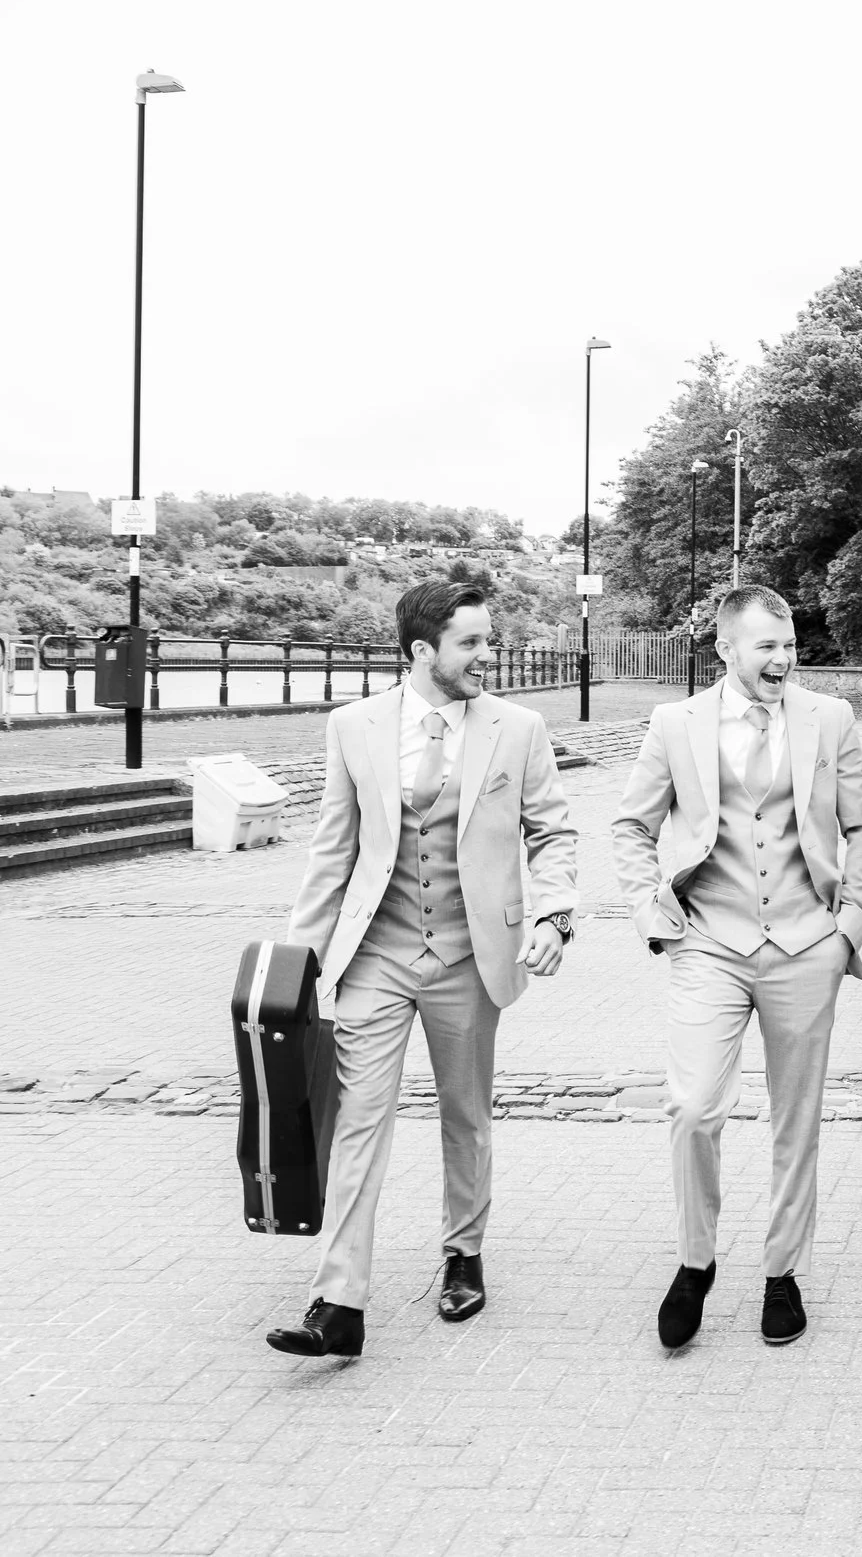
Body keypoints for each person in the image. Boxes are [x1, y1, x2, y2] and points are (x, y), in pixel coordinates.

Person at [266, 580, 579, 1358]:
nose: (487, 655)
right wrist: (295, 964)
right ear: (421, 651)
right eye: (471, 642)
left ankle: (463, 1253)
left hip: (470, 957)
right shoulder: (354, 726)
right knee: (358, 1122)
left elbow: (555, 833)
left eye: (489, 639)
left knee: (465, 1114)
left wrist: (555, 914)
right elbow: (333, 850)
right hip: (374, 955)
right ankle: (338, 1301)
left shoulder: (519, 728)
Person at [611, 585, 862, 1349]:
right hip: (710, 942)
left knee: (796, 1120)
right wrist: (647, 911)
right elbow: (631, 825)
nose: (784, 658)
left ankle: (782, 1271)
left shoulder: (829, 718)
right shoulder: (676, 723)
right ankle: (695, 1262)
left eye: (789, 643)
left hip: (806, 944)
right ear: (726, 648)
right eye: (766, 645)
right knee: (694, 1107)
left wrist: (847, 930)